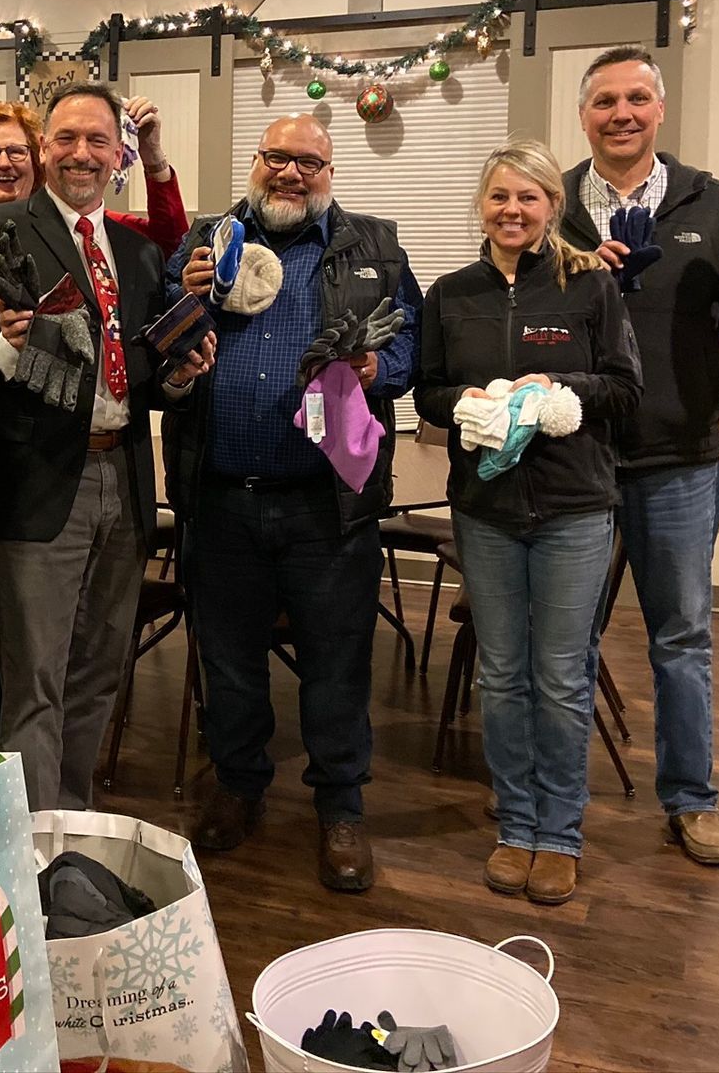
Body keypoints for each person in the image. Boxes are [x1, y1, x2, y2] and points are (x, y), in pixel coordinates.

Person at [165, 115, 422, 893]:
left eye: (309, 161)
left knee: (338, 662)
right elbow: (159, 343)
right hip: (220, 496)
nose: (291, 173)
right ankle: (240, 784)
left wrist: (379, 365)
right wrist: (183, 300)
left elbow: (412, 349)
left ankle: (341, 807)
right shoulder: (205, 245)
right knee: (231, 661)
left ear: (329, 170)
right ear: (255, 161)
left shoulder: (373, 245)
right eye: (278, 157)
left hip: (327, 505)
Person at [559, 46, 719, 869]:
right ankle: (554, 807)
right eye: (604, 102)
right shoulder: (553, 208)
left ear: (660, 110)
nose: (620, 114)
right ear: (582, 116)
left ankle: (691, 801)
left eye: (635, 99)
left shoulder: (717, 205)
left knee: (681, 639)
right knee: (567, 641)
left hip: (680, 460)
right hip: (573, 461)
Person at [0, 82, 214, 810]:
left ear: (117, 155)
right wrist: (8, 349)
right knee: (35, 679)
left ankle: (71, 823)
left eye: (97, 140)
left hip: (126, 477)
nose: (81, 153)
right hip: (36, 485)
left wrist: (182, 376)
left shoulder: (134, 251)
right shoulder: (0, 226)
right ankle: (33, 849)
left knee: (99, 671)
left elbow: (140, 371)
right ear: (45, 149)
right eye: (66, 138)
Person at [415, 138, 642, 907]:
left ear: (554, 206)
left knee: (561, 676)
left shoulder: (591, 285)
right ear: (482, 206)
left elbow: (624, 386)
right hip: (486, 510)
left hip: (574, 509)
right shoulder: (451, 293)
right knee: (503, 674)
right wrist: (467, 408)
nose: (513, 210)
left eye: (529, 198)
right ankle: (515, 824)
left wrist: (561, 392)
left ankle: (561, 835)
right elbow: (428, 392)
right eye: (499, 197)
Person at [0, 95, 191, 255]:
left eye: (17, 152)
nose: (3, 163)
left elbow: (171, 246)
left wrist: (153, 156)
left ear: (39, 158)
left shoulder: (79, 224)